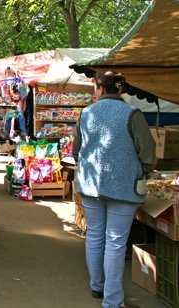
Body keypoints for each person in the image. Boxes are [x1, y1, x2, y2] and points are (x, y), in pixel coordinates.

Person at [72, 71, 155, 308]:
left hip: (90, 184)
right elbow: (147, 151)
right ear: (120, 90)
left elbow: (76, 150)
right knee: (116, 242)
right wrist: (144, 170)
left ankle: (97, 286)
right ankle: (112, 300)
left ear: (99, 89)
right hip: (123, 185)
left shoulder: (86, 113)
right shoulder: (132, 113)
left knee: (95, 236)